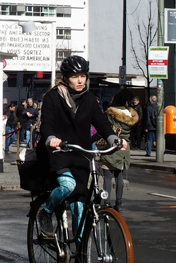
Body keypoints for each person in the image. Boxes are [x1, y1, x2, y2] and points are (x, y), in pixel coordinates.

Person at [36, 56, 125, 241]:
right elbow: (47, 123)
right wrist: (51, 138)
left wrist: (114, 139)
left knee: (80, 206)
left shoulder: (89, 98)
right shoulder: (54, 96)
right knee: (68, 185)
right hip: (58, 154)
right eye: (75, 76)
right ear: (66, 77)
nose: (79, 80)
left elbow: (101, 123)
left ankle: (82, 255)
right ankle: (46, 211)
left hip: (81, 155)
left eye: (83, 76)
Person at [100, 88, 138, 211]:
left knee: (107, 176)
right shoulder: (131, 115)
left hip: (111, 145)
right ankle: (119, 202)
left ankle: (106, 201)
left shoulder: (111, 113)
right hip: (124, 147)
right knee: (119, 175)